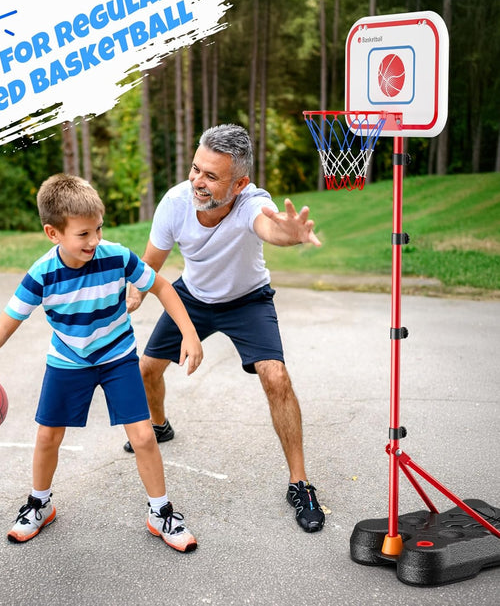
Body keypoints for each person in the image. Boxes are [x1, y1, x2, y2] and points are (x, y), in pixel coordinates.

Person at [124, 124, 325, 533]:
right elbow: (151, 263)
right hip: (193, 297)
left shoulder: (253, 202)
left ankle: (300, 483)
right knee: (146, 370)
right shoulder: (175, 203)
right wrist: (135, 295)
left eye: (211, 176)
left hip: (247, 301)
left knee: (276, 376)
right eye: (196, 169)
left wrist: (289, 234)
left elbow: (269, 227)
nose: (198, 181)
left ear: (239, 183)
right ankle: (160, 426)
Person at [1, 174, 203, 552]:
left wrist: (189, 334)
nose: (94, 240)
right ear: (53, 232)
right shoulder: (42, 274)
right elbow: (9, 321)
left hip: (116, 356)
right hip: (67, 360)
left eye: (98, 229)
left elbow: (160, 286)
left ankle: (160, 512)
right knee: (48, 436)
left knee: (143, 436)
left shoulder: (116, 256)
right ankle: (40, 504)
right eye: (83, 234)